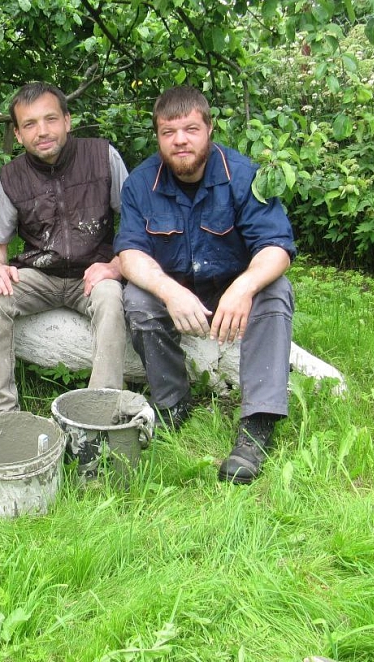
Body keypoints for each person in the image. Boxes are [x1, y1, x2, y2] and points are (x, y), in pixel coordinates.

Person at [114, 86, 296, 484]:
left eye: (191, 129)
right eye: (169, 132)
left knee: (276, 289)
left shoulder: (244, 175)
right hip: (177, 292)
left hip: (233, 290)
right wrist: (169, 292)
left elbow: (277, 248)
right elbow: (130, 255)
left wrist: (244, 287)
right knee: (137, 297)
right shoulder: (140, 183)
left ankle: (257, 424)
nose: (180, 140)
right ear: (158, 137)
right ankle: (173, 403)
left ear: (209, 129)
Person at [0, 82, 130, 414]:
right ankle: (0, 413)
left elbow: (136, 225)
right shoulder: (9, 178)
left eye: (50, 119)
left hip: (93, 273)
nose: (42, 131)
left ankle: (100, 410)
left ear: (67, 121)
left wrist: (116, 266)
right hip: (39, 275)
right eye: (30, 124)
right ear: (18, 134)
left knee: (110, 297)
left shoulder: (103, 157)